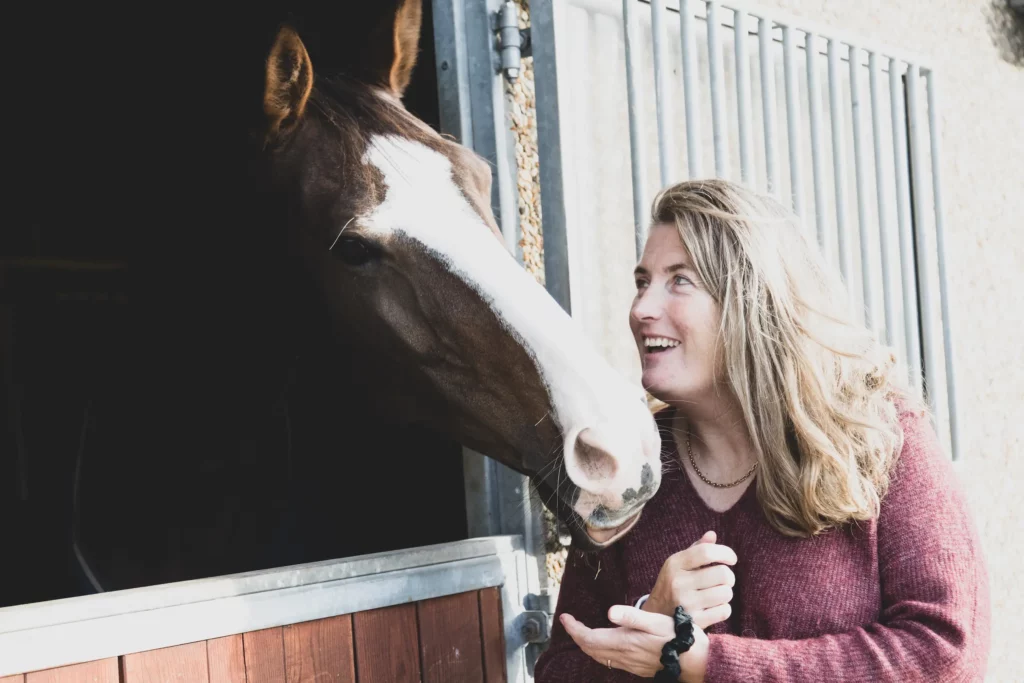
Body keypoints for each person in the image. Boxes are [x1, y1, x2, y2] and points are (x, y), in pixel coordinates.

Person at [534, 178, 990, 682]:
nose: (642, 308)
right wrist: (653, 617)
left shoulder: (877, 435)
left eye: (679, 280)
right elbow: (560, 670)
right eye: (642, 281)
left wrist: (705, 664)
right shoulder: (628, 466)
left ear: (750, 299)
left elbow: (946, 649)